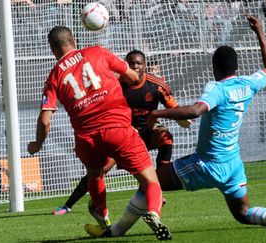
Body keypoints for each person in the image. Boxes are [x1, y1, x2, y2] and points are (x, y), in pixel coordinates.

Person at [85, 14, 266, 239]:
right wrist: (260, 31)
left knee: (152, 182)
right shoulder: (248, 84)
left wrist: (157, 112)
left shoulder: (217, 88)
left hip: (206, 164)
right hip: (233, 165)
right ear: (235, 66)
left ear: (215, 68)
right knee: (243, 214)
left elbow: (196, 110)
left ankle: (114, 231)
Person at [27, 26, 171, 240]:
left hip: (86, 138)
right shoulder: (97, 52)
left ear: (52, 49)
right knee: (151, 181)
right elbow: (132, 77)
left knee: (95, 173)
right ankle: (152, 212)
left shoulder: (54, 77)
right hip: (117, 128)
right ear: (73, 40)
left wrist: (38, 144)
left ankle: (104, 221)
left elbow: (45, 120)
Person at [53, 50, 190, 216]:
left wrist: (183, 118)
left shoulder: (157, 85)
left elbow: (173, 108)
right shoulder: (114, 83)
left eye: (139, 63)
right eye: (132, 63)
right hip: (122, 134)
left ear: (145, 65)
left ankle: (160, 183)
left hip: (147, 131)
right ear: (126, 64)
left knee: (166, 137)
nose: (135, 67)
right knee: (98, 170)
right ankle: (68, 205)